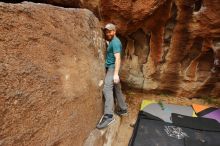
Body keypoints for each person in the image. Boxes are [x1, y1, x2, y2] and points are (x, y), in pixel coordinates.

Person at [96, 23, 128, 129]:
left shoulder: (115, 42)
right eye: (106, 31)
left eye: (110, 31)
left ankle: (109, 116)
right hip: (112, 68)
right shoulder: (113, 42)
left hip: (112, 68)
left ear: (114, 31)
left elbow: (118, 58)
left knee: (107, 89)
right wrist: (107, 43)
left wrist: (115, 74)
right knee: (117, 88)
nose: (107, 33)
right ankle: (123, 109)